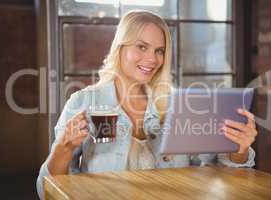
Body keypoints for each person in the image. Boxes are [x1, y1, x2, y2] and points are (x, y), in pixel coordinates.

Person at [36, 10, 258, 199]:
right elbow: (46, 190)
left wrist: (239, 150)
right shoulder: (84, 102)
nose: (152, 59)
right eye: (142, 47)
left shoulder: (178, 105)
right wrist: (63, 147)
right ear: (120, 47)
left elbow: (217, 171)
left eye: (159, 51)